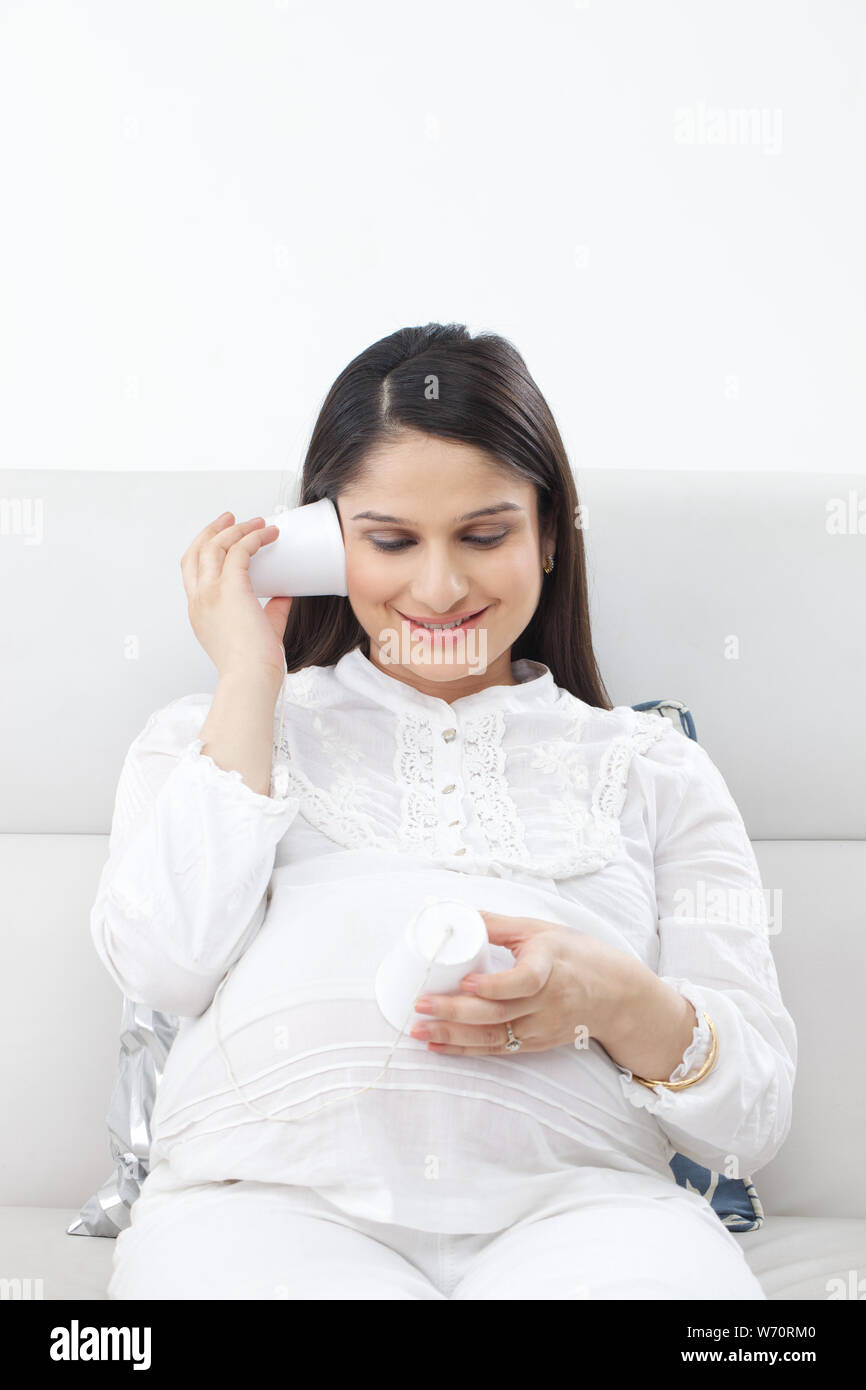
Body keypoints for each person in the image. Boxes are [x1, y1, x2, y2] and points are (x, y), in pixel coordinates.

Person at [93, 323, 796, 1300]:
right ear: (325, 544)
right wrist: (249, 677)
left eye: (483, 534)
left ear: (548, 534)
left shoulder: (652, 770)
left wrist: (612, 997)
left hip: (586, 1219)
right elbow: (166, 964)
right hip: (259, 1210)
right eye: (390, 540)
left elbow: (750, 1112)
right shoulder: (215, 734)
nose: (437, 587)